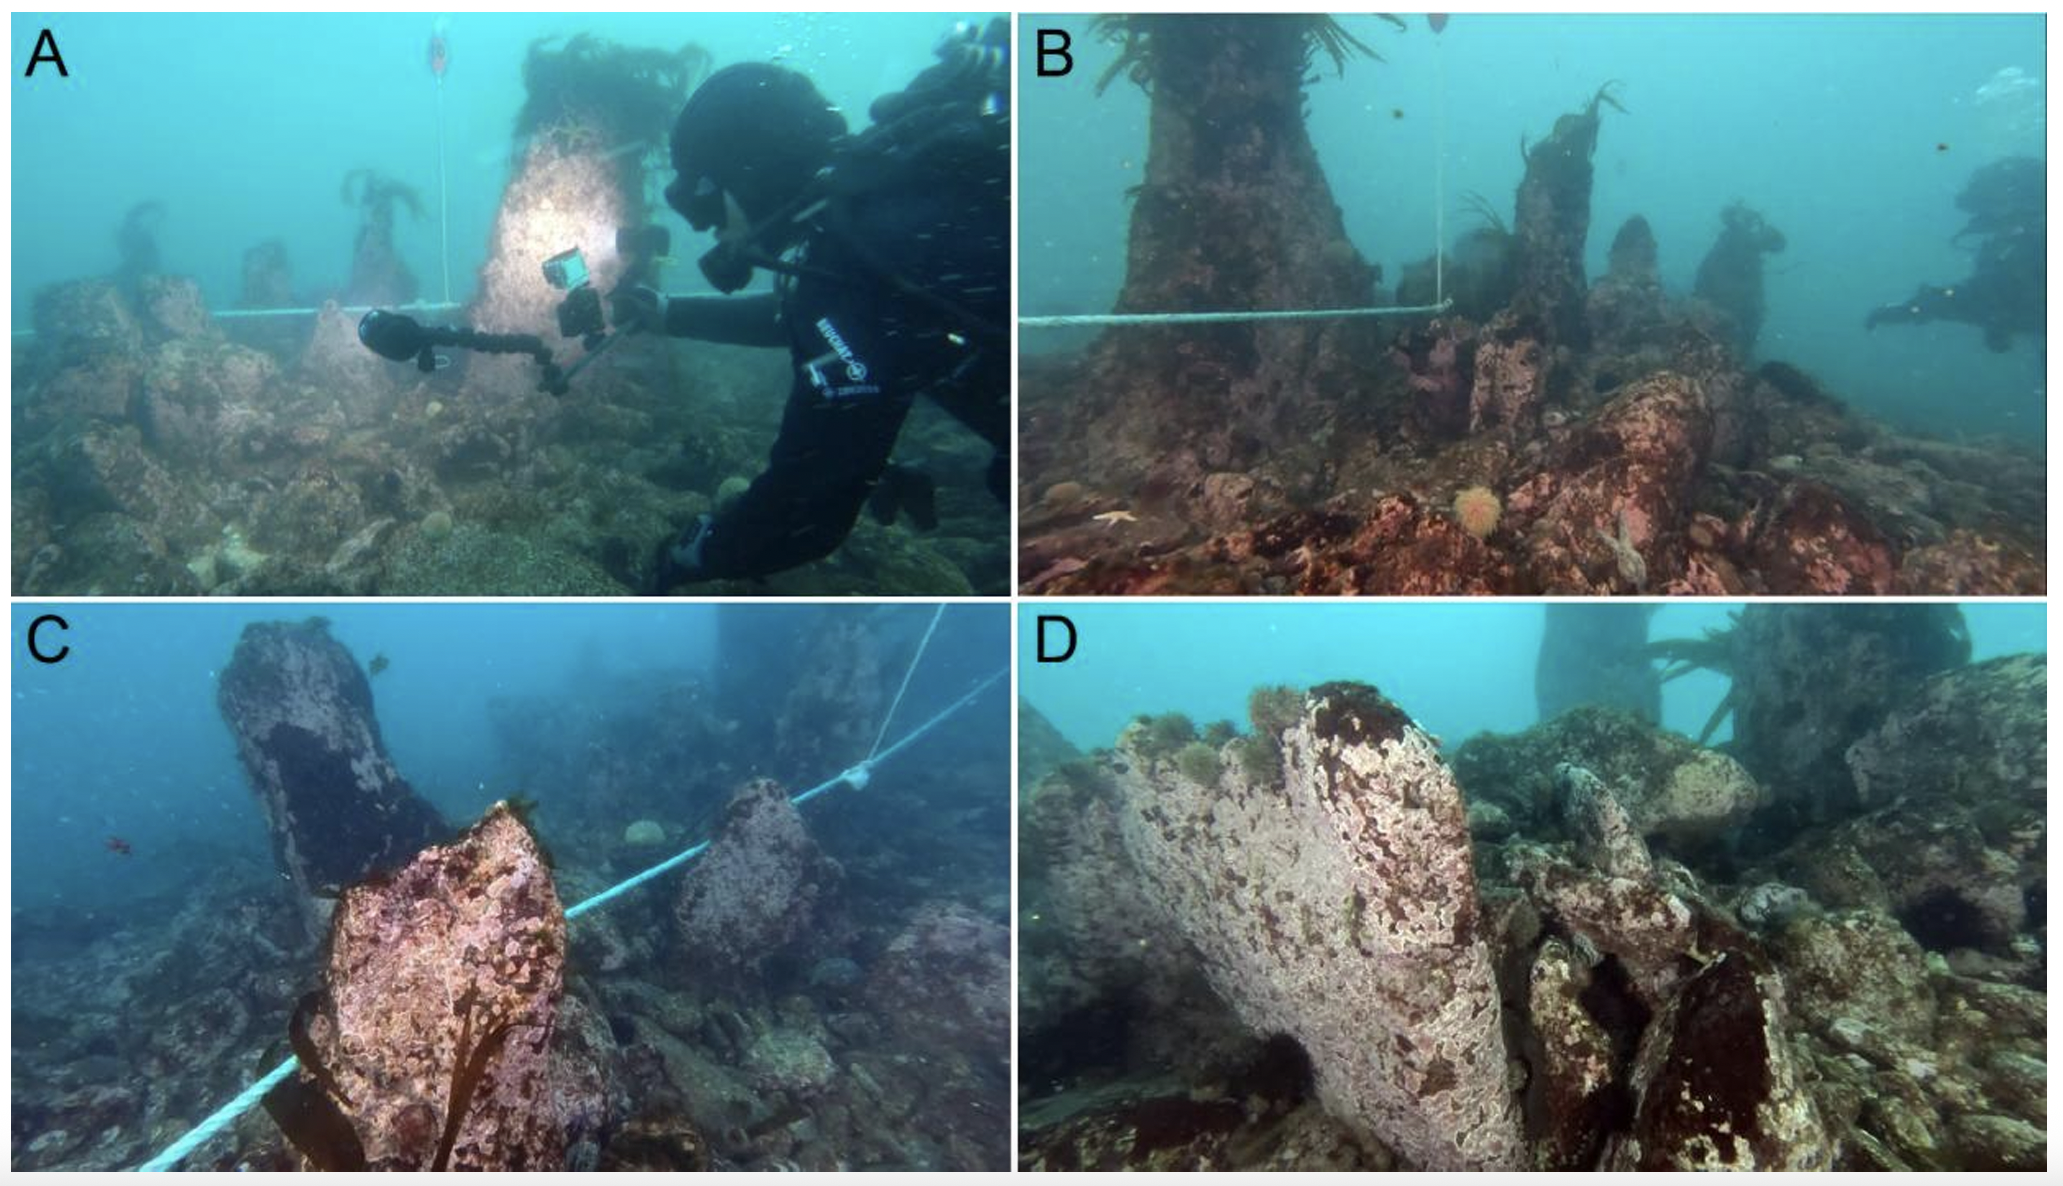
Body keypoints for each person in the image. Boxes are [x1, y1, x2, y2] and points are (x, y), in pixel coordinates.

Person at [615, 20, 1009, 588]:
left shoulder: (857, 251)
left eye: (703, 196)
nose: (705, 225)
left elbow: (808, 512)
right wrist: (671, 313)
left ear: (751, 176)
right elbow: (810, 316)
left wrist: (694, 554)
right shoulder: (872, 215)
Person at [1866, 155, 2044, 354]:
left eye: (1995, 207)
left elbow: (1996, 297)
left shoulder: (2034, 245)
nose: (1989, 220)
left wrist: (1921, 306)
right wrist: (1921, 306)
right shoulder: (2011, 248)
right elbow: (1991, 296)